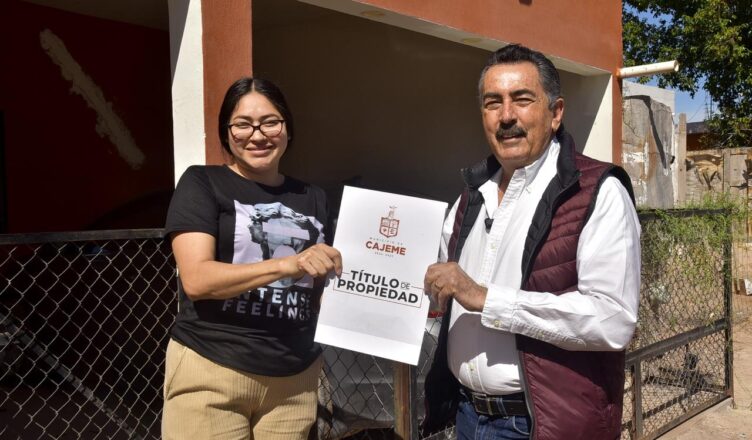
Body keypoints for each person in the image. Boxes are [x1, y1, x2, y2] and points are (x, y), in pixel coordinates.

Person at [421, 44, 641, 440]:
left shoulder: (596, 192)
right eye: (493, 103)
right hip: (467, 416)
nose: (506, 116)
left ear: (555, 113)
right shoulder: (470, 198)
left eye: (522, 100)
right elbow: (438, 294)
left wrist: (486, 298)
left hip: (541, 425)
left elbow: (613, 320)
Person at [161, 77, 342, 440]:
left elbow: (320, 291)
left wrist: (392, 299)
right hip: (214, 368)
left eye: (270, 122)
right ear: (226, 132)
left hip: (294, 381)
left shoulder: (313, 197)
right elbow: (196, 279)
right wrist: (285, 265)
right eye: (243, 124)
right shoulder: (202, 183)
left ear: (287, 129)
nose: (258, 135)